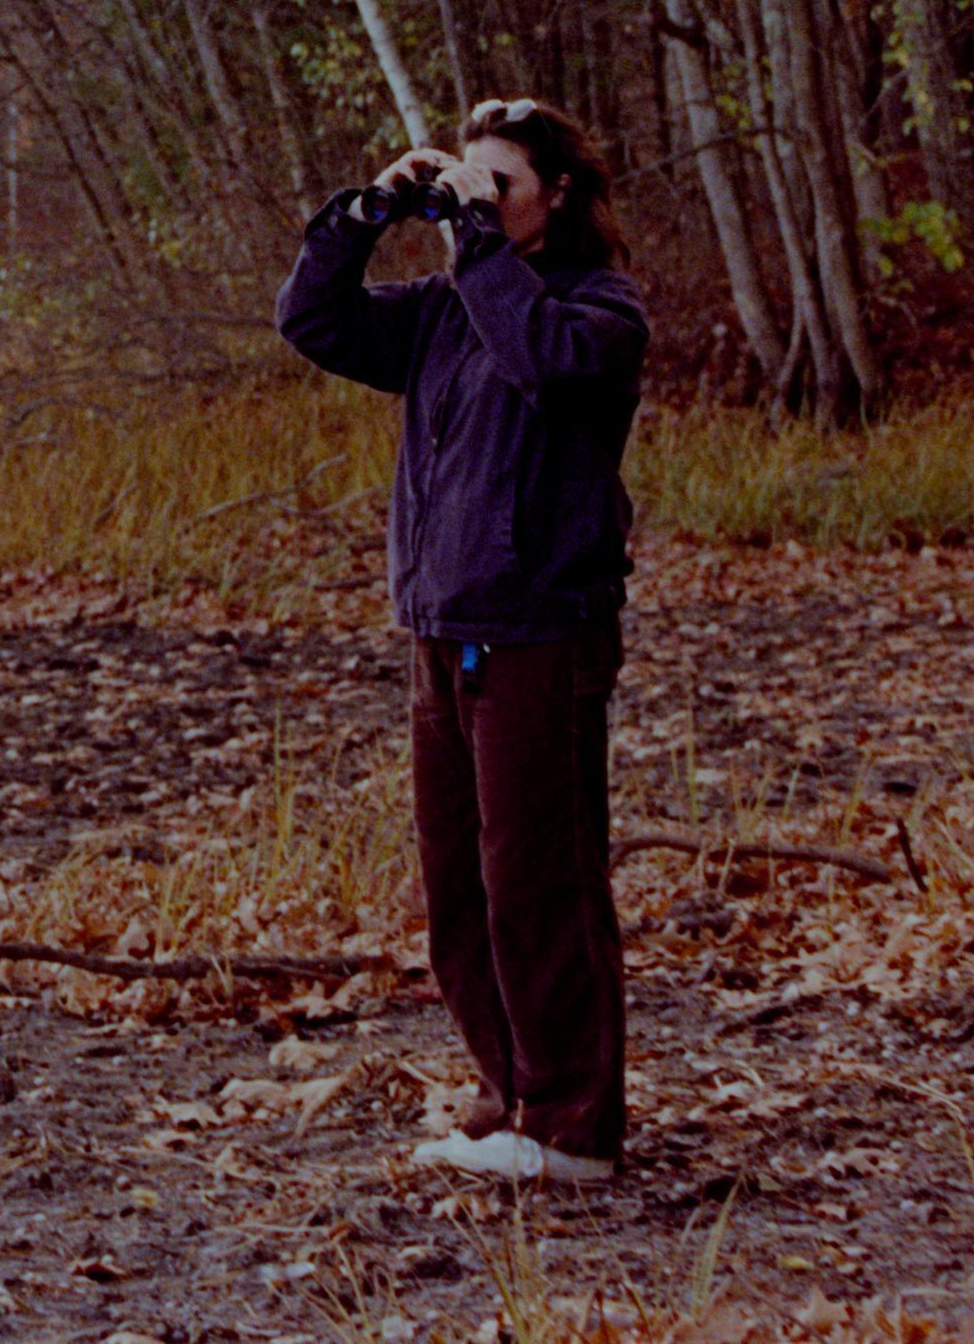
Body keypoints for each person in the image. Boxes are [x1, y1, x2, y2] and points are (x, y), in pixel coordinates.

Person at [275, 96, 647, 1185]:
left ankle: (573, 1125)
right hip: (441, 626)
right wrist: (371, 209)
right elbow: (314, 323)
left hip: (540, 630)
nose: (477, 207)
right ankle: (509, 1103)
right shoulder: (442, 311)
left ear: (558, 196)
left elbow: (537, 359)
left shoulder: (598, 310)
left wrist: (477, 239)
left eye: (503, 187)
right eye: (469, 185)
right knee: (460, 884)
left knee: (540, 878)